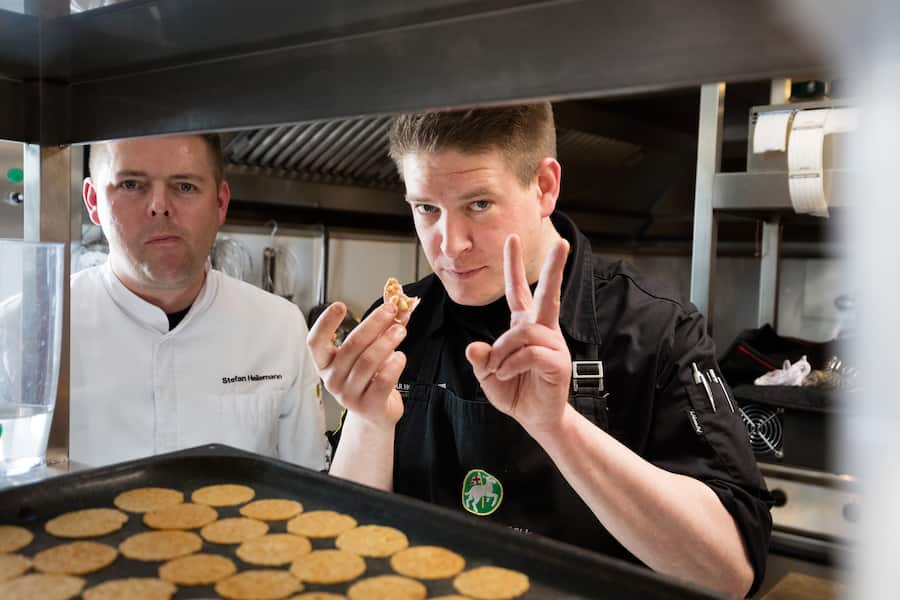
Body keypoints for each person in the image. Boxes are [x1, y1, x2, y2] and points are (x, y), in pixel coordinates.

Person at [308, 104, 771, 598]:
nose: (450, 245)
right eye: (426, 208)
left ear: (545, 186)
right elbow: (348, 543)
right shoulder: (403, 325)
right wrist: (369, 421)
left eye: (479, 204)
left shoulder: (654, 328)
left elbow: (729, 575)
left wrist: (559, 427)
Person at [67, 134, 328, 469]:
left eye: (185, 186)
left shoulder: (280, 327)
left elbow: (308, 480)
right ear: (93, 201)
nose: (159, 206)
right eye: (131, 184)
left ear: (220, 202)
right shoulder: (30, 331)